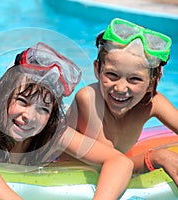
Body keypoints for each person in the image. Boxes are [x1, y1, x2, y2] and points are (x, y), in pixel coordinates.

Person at [0, 42, 133, 200]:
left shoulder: (53, 133)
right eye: (23, 101)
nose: (29, 116)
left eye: (43, 109)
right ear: (3, 95)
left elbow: (120, 162)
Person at [66, 18, 178, 183]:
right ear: (97, 69)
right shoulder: (88, 98)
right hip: (60, 169)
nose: (120, 88)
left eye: (134, 79)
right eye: (112, 75)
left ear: (153, 81)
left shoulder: (152, 103)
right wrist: (157, 158)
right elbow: (111, 165)